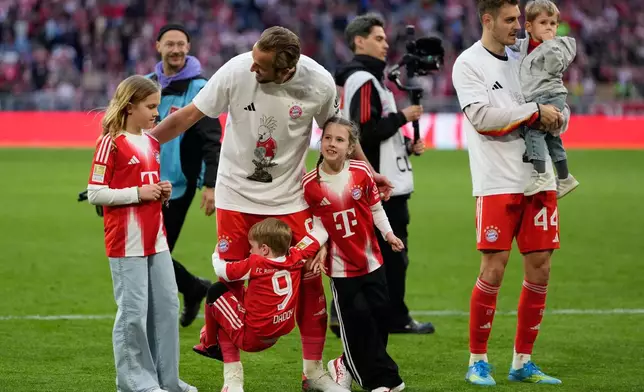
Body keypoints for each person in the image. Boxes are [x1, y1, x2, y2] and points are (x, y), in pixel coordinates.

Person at [150, 26, 393, 392]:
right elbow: (186, 117)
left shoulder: (319, 84)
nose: (252, 68)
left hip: (289, 199)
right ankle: (233, 378)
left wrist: (369, 172)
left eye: (261, 66)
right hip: (235, 197)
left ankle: (312, 373)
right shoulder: (236, 70)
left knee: (311, 279)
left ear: (285, 71)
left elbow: (339, 132)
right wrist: (138, 143)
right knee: (231, 282)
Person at [451, 0, 568, 386]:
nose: (518, 25)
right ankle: (478, 360)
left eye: (519, 18)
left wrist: (556, 114)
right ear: (487, 20)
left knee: (542, 267)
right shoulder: (469, 64)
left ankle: (523, 361)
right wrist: (534, 111)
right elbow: (483, 118)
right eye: (510, 19)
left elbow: (557, 105)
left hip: (540, 179)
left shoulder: (528, 57)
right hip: (497, 181)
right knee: (494, 268)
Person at [86, 75, 197, 392]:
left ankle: (167, 380)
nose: (156, 113)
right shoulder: (110, 142)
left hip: (156, 239)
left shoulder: (150, 142)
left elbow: (146, 187)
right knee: (133, 314)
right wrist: (139, 192)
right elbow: (96, 193)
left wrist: (161, 191)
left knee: (167, 308)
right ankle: (134, 381)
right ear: (130, 105)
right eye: (150, 106)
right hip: (126, 242)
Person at [332, 12, 435, 336]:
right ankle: (393, 317)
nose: (385, 44)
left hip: (377, 179)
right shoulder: (363, 79)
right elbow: (363, 129)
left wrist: (404, 143)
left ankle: (349, 314)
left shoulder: (367, 79)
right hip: (380, 185)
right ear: (358, 41)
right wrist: (404, 116)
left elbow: (375, 130)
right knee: (391, 255)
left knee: (369, 253)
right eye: (378, 38)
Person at [303, 117, 406, 392]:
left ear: (350, 147)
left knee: (381, 316)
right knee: (357, 320)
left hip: (372, 261)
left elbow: (375, 209)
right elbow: (318, 225)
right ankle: (380, 381)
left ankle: (345, 365)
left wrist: (389, 235)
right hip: (341, 269)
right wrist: (315, 247)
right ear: (321, 141)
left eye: (339, 139)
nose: (332, 143)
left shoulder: (361, 172)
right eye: (327, 138)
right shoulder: (311, 184)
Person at [150, 24, 223, 327]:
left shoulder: (200, 88)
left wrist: (210, 185)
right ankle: (194, 289)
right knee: (151, 253)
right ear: (158, 47)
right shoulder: (147, 84)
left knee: (154, 252)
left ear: (189, 48)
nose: (176, 49)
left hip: (177, 187)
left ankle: (191, 290)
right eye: (170, 44)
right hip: (145, 182)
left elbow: (211, 139)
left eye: (181, 44)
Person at [192, 219, 328, 375]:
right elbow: (319, 233)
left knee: (216, 291)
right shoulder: (296, 255)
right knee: (243, 293)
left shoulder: (256, 263)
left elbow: (222, 271)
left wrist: (217, 253)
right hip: (278, 331)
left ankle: (209, 345)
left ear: (264, 249)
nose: (250, 251)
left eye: (252, 247)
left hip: (251, 338)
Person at [516, 0, 579, 198]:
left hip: (551, 94)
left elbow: (554, 67)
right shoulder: (523, 46)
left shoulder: (559, 45)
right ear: (529, 26)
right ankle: (565, 177)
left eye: (552, 23)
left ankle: (540, 173)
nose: (549, 28)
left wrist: (549, 43)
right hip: (537, 96)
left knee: (533, 129)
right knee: (552, 138)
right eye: (543, 23)